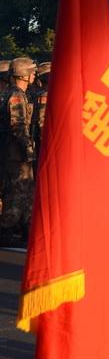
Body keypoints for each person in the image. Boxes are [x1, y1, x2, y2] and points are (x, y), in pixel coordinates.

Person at [0, 57, 37, 246]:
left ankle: (25, 230)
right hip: (15, 154)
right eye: (32, 71)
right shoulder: (16, 95)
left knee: (26, 191)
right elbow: (18, 126)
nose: (34, 75)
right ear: (24, 75)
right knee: (17, 192)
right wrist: (28, 150)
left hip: (13, 152)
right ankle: (6, 230)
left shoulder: (13, 93)